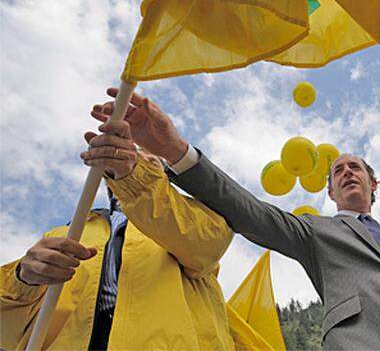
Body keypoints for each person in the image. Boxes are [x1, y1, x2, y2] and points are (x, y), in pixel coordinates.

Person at [89, 88, 380, 350]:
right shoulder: (316, 232)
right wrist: (174, 150)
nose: (347, 172)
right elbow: (249, 211)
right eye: (338, 171)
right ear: (331, 193)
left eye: (355, 167)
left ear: (373, 182)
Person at [0, 120, 235, 350]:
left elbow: (206, 245)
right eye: (136, 157)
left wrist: (134, 177)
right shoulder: (67, 232)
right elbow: (7, 333)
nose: (141, 161)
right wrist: (23, 280)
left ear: (164, 176)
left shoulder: (196, 215)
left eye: (151, 163)